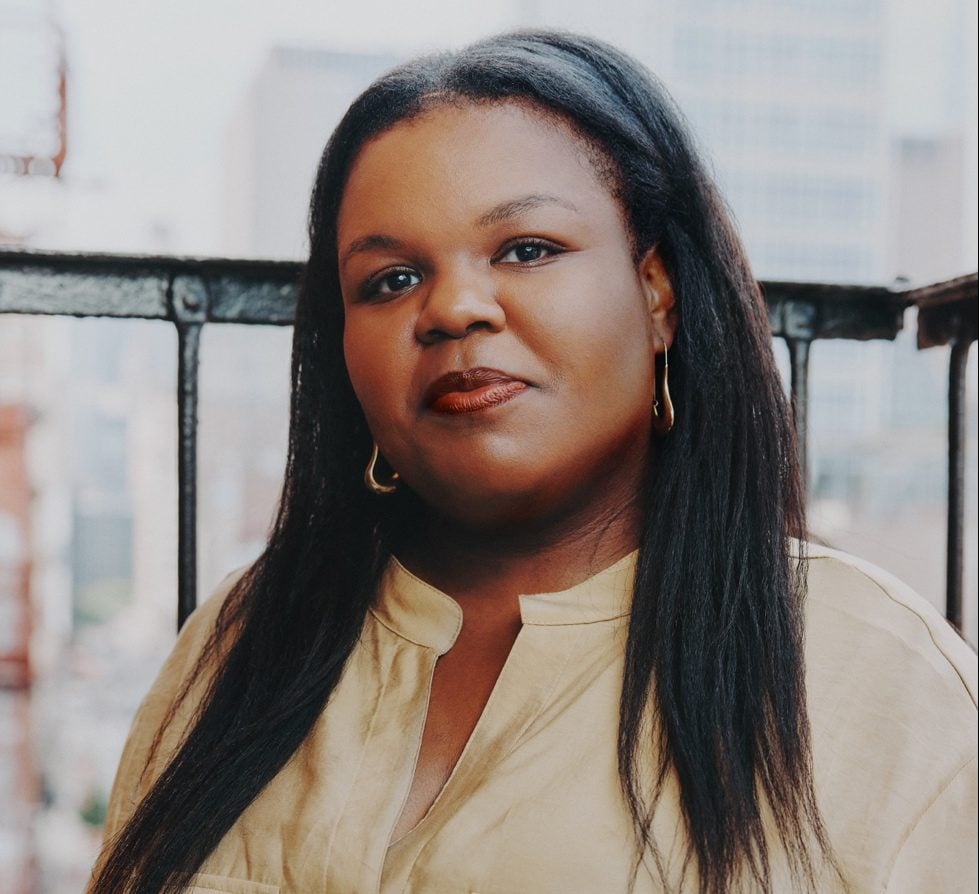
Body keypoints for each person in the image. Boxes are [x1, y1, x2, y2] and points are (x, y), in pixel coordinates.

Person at [87, 30, 977, 894]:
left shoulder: (867, 671)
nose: (454, 307)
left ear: (656, 291)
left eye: (527, 250)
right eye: (390, 279)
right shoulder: (241, 643)